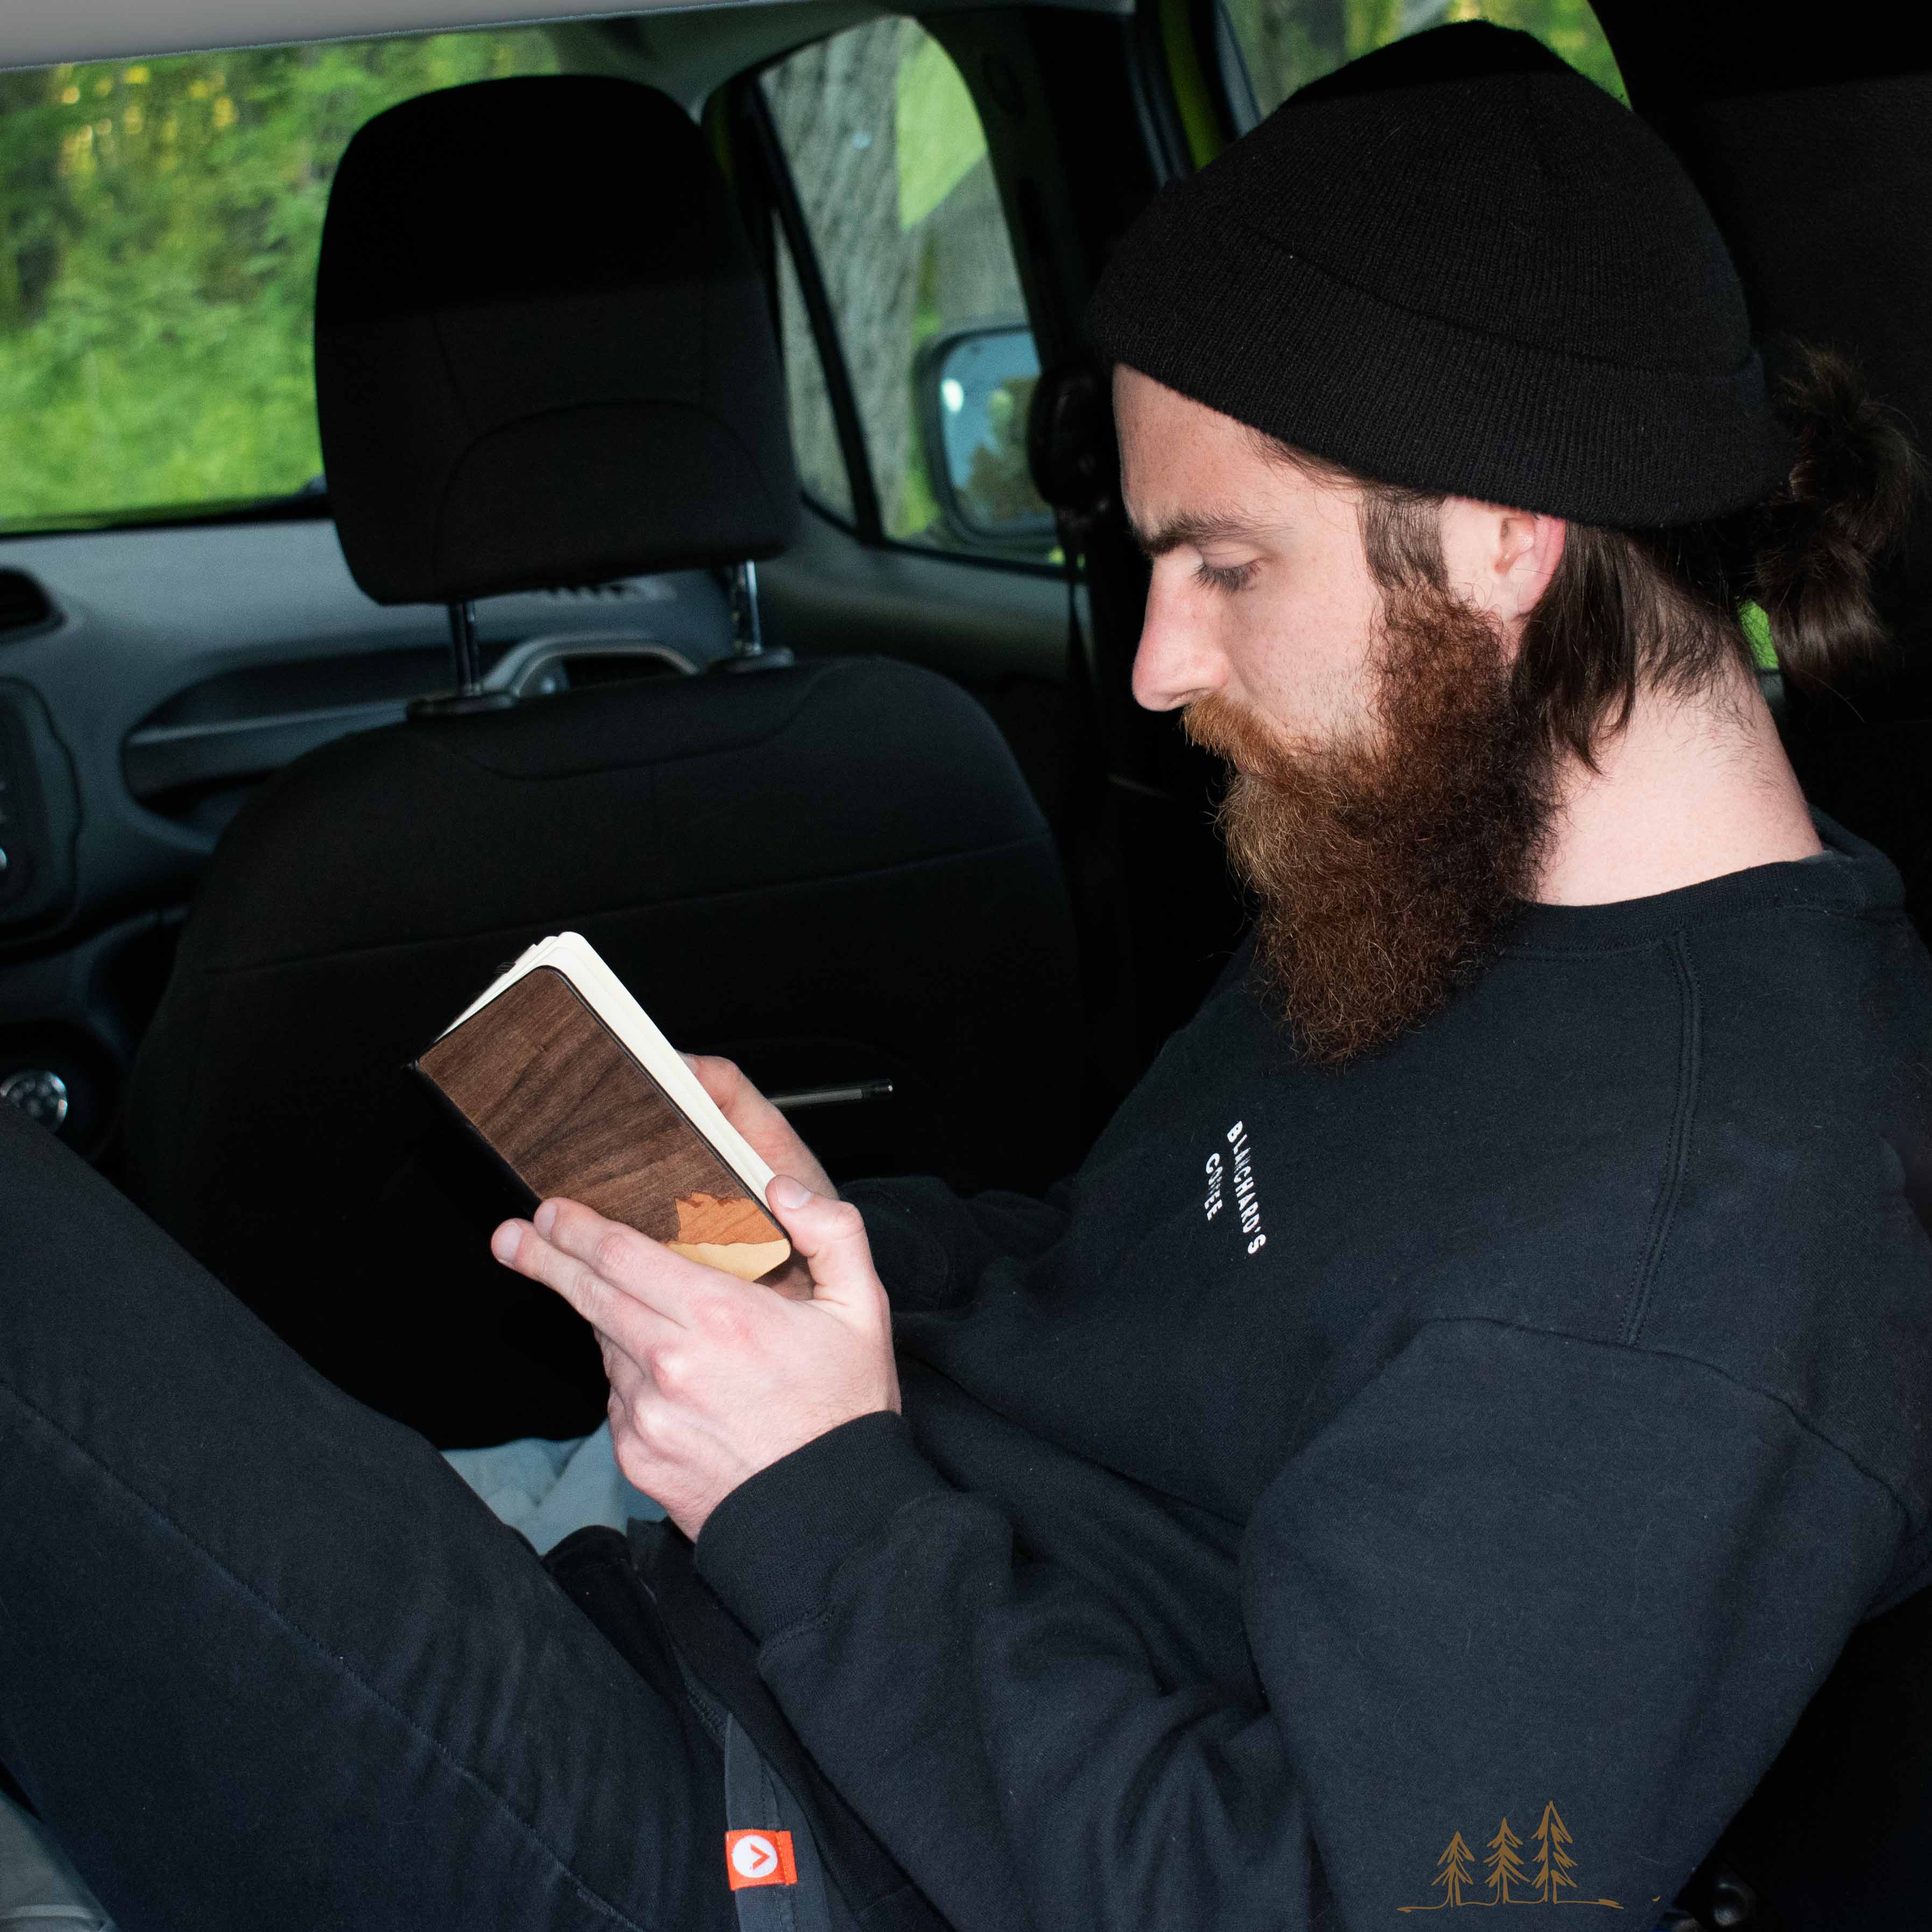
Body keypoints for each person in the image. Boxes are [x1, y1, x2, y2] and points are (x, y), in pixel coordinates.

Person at [4, 21, 1930, 1932]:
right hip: (725, 1583)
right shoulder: (1443, 867)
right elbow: (1121, 1304)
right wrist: (824, 1256)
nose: (1158, 666)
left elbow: (1347, 1907)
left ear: (1508, 543)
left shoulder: (1701, 1243)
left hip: (766, 1841)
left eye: (1225, 566)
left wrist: (810, 1490)